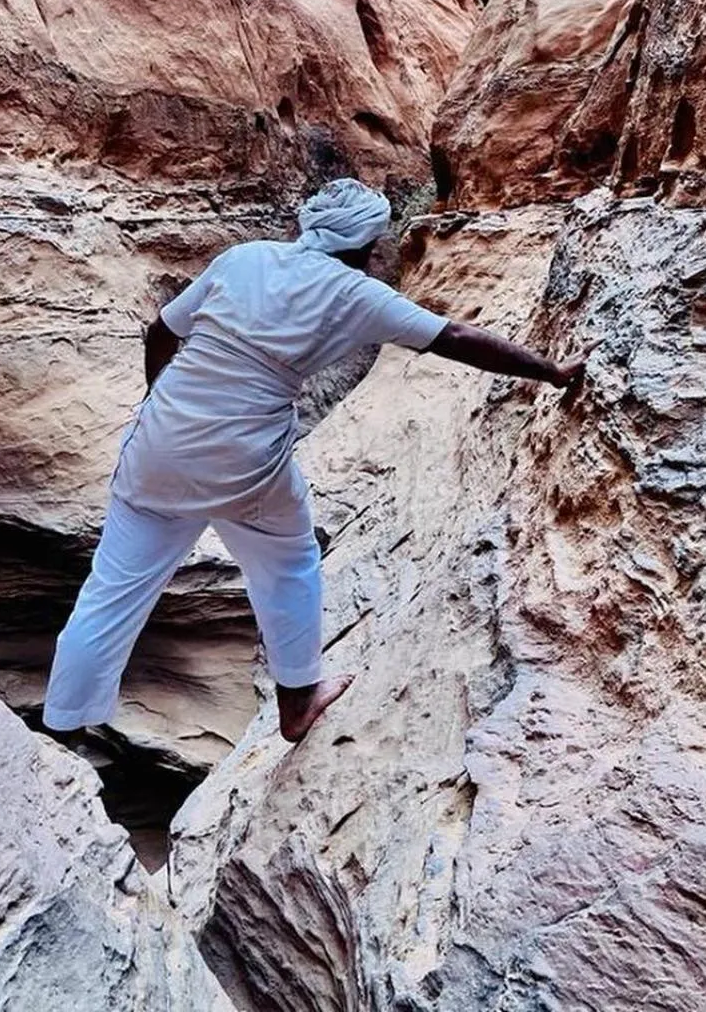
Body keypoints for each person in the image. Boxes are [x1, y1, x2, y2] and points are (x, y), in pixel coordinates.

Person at [43, 179, 586, 745]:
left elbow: (162, 331)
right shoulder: (357, 293)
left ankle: (63, 724)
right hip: (245, 464)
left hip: (158, 448)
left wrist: (161, 401)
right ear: (367, 244)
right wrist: (549, 371)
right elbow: (454, 336)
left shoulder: (244, 257)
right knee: (289, 560)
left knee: (112, 590)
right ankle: (298, 699)